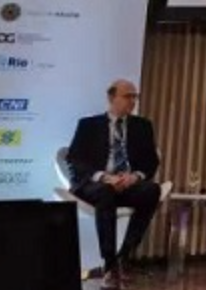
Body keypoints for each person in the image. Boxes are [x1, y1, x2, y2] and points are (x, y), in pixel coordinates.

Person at [67, 79, 162, 290]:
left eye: (135, 97)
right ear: (112, 98)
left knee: (152, 190)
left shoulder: (143, 126)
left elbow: (151, 160)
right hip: (97, 184)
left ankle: (124, 256)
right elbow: (75, 159)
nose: (133, 101)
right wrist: (104, 176)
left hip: (127, 183)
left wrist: (135, 176)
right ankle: (109, 263)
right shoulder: (88, 125)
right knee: (106, 192)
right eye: (128, 96)